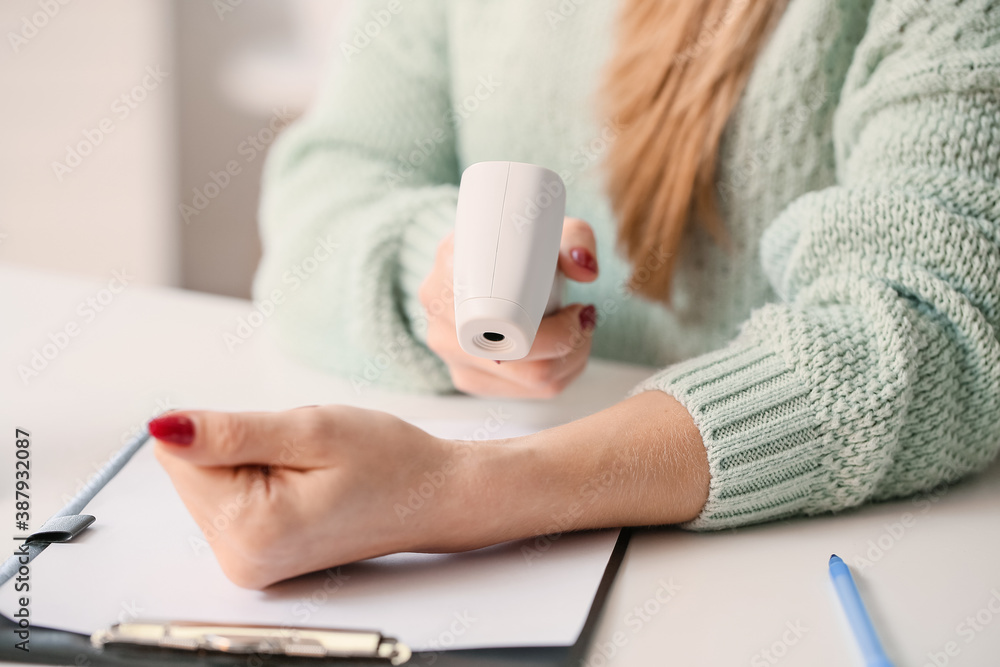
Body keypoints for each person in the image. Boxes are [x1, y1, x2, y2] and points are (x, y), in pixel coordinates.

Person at [149, 0, 1000, 590]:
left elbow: (936, 323)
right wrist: (441, 285)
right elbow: (326, 192)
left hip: (801, 563)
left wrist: (460, 490)